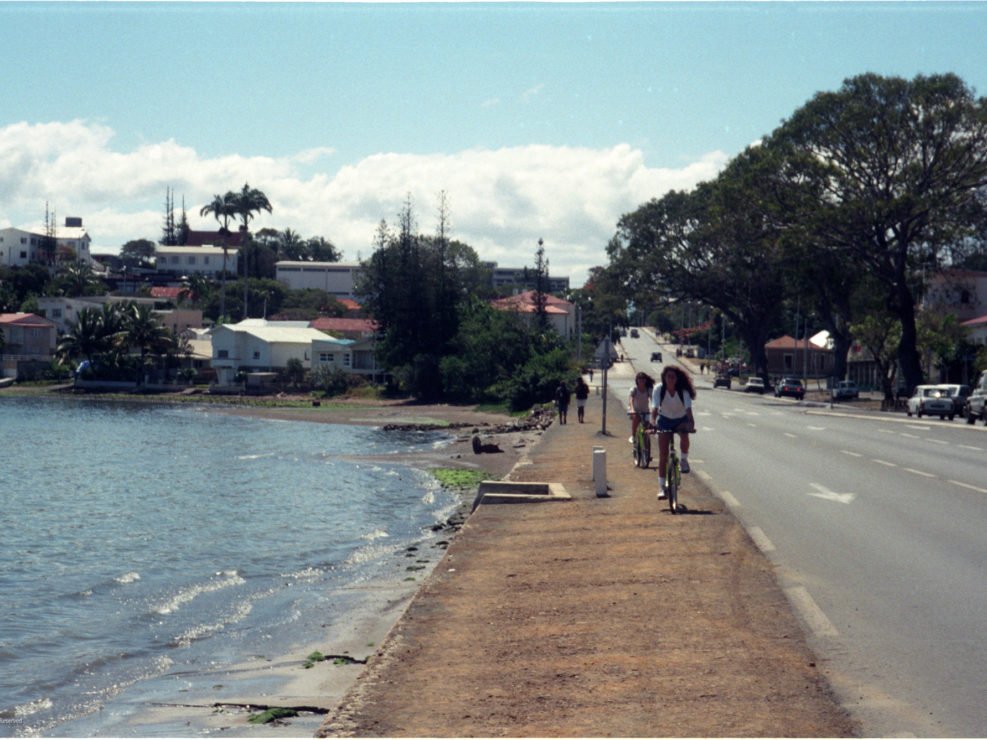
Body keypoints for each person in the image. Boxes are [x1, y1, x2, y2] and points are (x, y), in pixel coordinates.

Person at [650, 366, 697, 498]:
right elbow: (654, 407)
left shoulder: (683, 392)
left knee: (684, 435)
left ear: (677, 379)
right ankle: (661, 487)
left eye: (673, 377)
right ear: (664, 378)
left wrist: (691, 424)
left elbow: (688, 410)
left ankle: (683, 460)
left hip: (680, 419)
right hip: (664, 419)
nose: (670, 379)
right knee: (663, 455)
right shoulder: (659, 389)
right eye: (668, 376)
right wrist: (653, 421)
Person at [627, 371, 655, 451]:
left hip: (645, 411)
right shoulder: (634, 389)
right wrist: (632, 409)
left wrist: (655, 409)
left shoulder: (648, 390)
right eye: (640, 379)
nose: (641, 381)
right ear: (637, 380)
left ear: (645, 380)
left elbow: (653, 400)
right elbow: (631, 399)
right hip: (635, 411)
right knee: (636, 419)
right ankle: (633, 435)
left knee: (646, 428)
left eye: (643, 379)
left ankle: (646, 447)